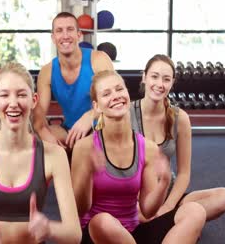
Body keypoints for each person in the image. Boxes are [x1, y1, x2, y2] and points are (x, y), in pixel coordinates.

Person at [71, 70, 206, 244]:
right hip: (98, 234)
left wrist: (163, 183)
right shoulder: (85, 147)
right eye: (106, 93)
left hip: (134, 231)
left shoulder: (147, 147)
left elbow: (148, 210)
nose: (115, 96)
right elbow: (80, 209)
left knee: (195, 211)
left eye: (119, 89)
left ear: (127, 94)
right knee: (102, 221)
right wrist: (87, 174)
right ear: (97, 106)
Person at [0, 63, 81, 244]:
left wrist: (48, 228)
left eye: (22, 95)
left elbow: (74, 234)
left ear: (34, 100)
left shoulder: (54, 155)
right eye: (5, 95)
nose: (13, 103)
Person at [130, 54, 225, 221]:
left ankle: (169, 219)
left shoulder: (181, 118)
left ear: (172, 83)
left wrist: (168, 206)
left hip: (169, 194)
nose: (159, 84)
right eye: (154, 77)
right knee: (128, 215)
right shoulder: (126, 114)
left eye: (166, 79)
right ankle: (181, 221)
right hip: (135, 197)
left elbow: (184, 173)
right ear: (144, 77)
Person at [34, 12, 114, 150]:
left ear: (79, 34)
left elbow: (114, 99)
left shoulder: (99, 60)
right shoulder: (46, 72)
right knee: (41, 139)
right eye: (59, 31)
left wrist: (90, 115)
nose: (65, 36)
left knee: (86, 146)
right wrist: (46, 136)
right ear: (53, 38)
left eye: (70, 29)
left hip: (102, 126)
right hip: (71, 130)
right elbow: (38, 119)